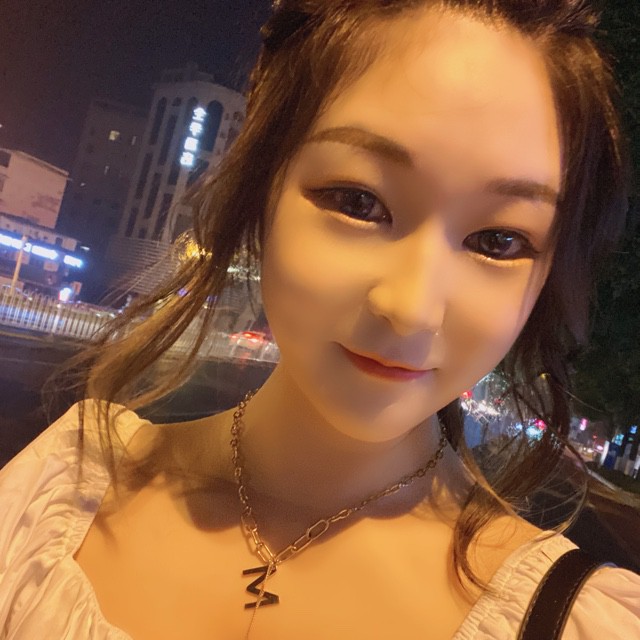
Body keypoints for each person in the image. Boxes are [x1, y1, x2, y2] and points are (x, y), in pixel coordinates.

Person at [1, 1, 639, 638]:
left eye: (499, 241)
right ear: (261, 189)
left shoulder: (577, 621)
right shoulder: (47, 504)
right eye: (358, 202)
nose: (411, 310)